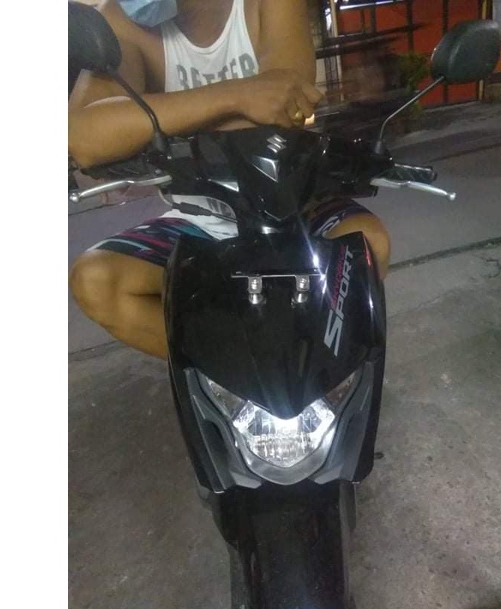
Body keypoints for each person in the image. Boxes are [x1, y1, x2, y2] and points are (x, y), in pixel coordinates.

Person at [69, 0, 391, 360]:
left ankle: (299, 364)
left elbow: (285, 102)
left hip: (290, 204)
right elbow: (85, 138)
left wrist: (148, 122)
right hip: (199, 216)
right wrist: (238, 95)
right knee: (98, 281)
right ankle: (245, 369)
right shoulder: (121, 18)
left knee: (365, 245)